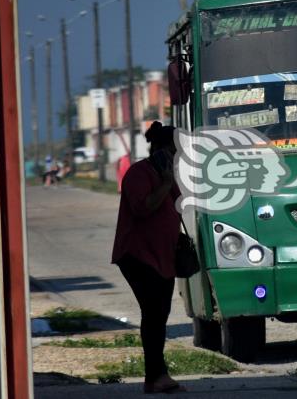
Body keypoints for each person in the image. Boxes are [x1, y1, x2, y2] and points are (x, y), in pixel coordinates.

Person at [111, 121, 186, 394]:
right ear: (159, 149)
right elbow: (143, 208)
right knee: (153, 313)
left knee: (160, 313)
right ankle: (156, 375)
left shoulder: (167, 174)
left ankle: (155, 376)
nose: (177, 156)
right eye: (173, 150)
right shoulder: (138, 174)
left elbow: (177, 205)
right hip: (138, 256)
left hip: (162, 257)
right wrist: (166, 182)